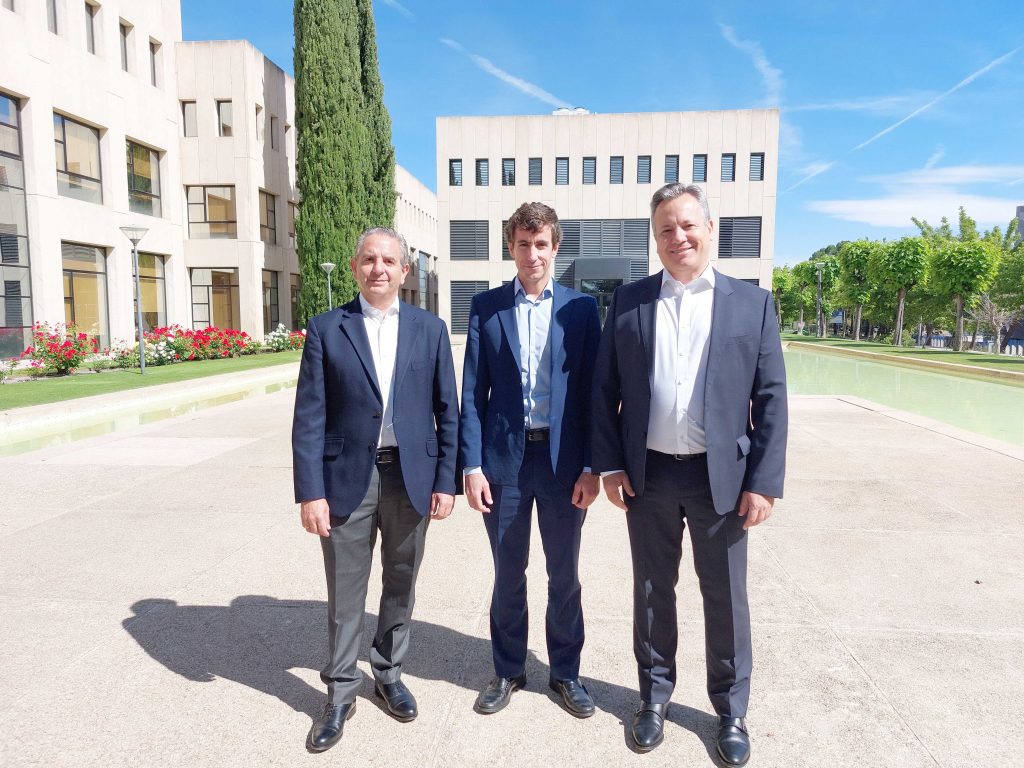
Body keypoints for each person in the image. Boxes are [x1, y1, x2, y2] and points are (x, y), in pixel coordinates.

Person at [591, 183, 788, 764]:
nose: (678, 237)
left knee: (724, 596)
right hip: (648, 476)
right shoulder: (628, 303)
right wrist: (610, 466)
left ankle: (730, 709)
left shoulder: (751, 305)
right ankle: (653, 698)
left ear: (709, 229)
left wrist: (763, 480)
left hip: (719, 482)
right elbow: (605, 392)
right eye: (665, 230)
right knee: (653, 592)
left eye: (687, 226)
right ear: (655, 239)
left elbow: (771, 397)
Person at [291, 227, 459, 752]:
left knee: (401, 580)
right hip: (347, 479)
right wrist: (309, 491)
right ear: (354, 265)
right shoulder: (326, 328)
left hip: (412, 476)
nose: (379, 268)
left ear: (405, 270)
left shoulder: (430, 329)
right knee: (345, 591)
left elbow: (446, 411)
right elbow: (309, 418)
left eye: (389, 260)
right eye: (369, 259)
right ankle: (340, 691)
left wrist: (446, 480)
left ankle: (387, 673)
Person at [460, 202, 602, 718]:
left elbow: (592, 395)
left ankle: (565, 674)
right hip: (505, 464)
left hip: (565, 465)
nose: (533, 253)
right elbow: (472, 394)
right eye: (523, 243)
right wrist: (471, 467)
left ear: (555, 248)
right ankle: (508, 669)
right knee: (508, 571)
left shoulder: (581, 311)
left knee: (564, 572)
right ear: (510, 247)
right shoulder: (487, 307)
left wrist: (592, 466)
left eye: (542, 244)